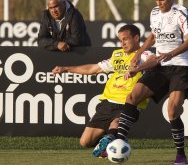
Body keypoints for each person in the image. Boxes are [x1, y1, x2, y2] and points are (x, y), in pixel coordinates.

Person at [115, 0, 188, 164]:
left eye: (162, 0)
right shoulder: (154, 13)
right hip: (160, 64)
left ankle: (181, 156)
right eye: (156, 0)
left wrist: (171, 53)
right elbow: (153, 35)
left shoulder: (182, 13)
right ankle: (118, 141)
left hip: (181, 65)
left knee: (173, 110)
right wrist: (138, 54)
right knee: (133, 96)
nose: (159, 3)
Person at [51, 24, 157, 157]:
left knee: (115, 123)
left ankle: (112, 140)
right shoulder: (117, 55)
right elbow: (92, 69)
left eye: (125, 39)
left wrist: (137, 69)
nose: (122, 43)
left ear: (136, 38)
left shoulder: (144, 55)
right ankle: (116, 142)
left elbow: (155, 60)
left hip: (129, 103)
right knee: (85, 142)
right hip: (108, 103)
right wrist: (66, 69)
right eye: (120, 40)